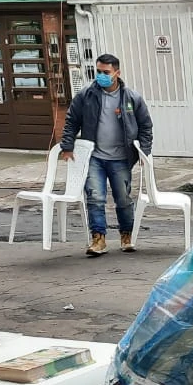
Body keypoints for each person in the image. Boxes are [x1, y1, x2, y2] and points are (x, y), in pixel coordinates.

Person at [60, 53, 153, 257]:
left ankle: (126, 235)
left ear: (117, 73)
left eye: (106, 72)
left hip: (121, 158)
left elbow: (146, 126)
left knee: (123, 198)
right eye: (98, 72)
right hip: (94, 157)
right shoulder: (86, 96)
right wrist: (67, 146)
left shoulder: (131, 98)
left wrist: (144, 152)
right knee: (95, 197)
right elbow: (71, 121)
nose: (101, 76)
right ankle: (98, 239)